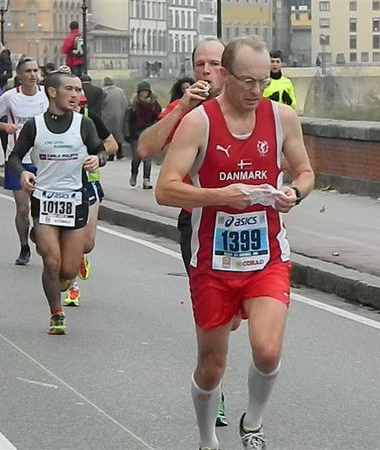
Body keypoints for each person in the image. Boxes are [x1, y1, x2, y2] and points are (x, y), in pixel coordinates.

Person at [155, 36, 314, 450]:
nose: (256, 92)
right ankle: (208, 440)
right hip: (213, 260)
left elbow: (305, 173)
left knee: (266, 350)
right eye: (247, 81)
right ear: (224, 75)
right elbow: (165, 190)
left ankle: (253, 424)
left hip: (267, 256)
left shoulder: (281, 118)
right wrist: (221, 195)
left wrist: (294, 194)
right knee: (212, 366)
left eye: (263, 81)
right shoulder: (198, 122)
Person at [137, 37, 231, 428]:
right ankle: (215, 389)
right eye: (199, 65)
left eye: (214, 64)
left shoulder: (249, 106)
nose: (206, 72)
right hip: (198, 223)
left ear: (230, 68)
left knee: (237, 318)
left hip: (244, 221)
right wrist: (182, 111)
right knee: (214, 317)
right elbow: (145, 149)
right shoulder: (185, 107)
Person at [7, 70, 108, 335]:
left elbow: (101, 150)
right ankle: (56, 312)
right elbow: (14, 157)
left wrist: (98, 159)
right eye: (70, 90)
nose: (77, 95)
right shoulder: (34, 125)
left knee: (68, 269)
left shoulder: (83, 124)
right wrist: (24, 172)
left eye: (78, 90)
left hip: (75, 200)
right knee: (51, 263)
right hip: (45, 199)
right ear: (52, 92)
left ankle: (60, 276)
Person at [0, 57, 48, 266]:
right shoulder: (10, 97)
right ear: (20, 76)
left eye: (35, 70)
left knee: (40, 206)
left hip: (42, 160)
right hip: (17, 158)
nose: (33, 75)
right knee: (23, 208)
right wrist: (5, 127)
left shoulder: (46, 95)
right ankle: (24, 246)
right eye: (28, 71)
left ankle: (40, 237)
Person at [60, 93, 117, 306]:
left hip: (89, 184)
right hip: (62, 187)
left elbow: (112, 145)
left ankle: (81, 256)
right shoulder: (48, 122)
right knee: (67, 240)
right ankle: (73, 288)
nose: (73, 102)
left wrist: (96, 155)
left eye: (78, 99)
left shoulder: (89, 119)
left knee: (87, 243)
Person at [124, 81, 161, 190]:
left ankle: (146, 179)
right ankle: (134, 173)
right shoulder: (133, 105)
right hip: (135, 134)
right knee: (136, 158)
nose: (144, 94)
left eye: (146, 91)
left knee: (147, 158)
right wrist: (126, 134)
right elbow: (127, 120)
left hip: (148, 133)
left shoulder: (154, 105)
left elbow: (158, 118)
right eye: (142, 92)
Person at [101, 76, 128, 160]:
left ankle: (111, 154)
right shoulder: (120, 91)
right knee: (119, 134)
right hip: (120, 115)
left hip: (107, 115)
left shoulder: (104, 92)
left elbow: (101, 104)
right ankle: (120, 153)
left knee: (109, 135)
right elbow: (125, 103)